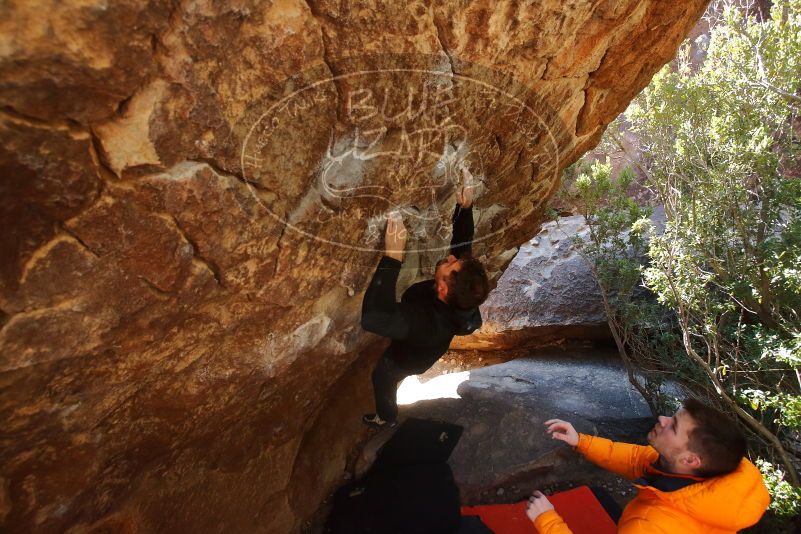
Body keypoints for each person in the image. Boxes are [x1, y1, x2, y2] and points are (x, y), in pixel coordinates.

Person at [526, 398, 770, 533]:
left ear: (690, 460)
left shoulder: (648, 525)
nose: (662, 420)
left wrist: (547, 521)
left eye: (673, 426)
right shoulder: (713, 479)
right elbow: (636, 458)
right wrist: (582, 441)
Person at [360, 172, 490, 427]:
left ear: (443, 290)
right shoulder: (464, 296)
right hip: (426, 348)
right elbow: (463, 247)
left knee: (382, 376)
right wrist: (465, 208)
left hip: (406, 359)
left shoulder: (426, 323)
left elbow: (374, 318)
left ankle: (386, 418)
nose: (450, 259)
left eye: (450, 266)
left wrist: (392, 257)